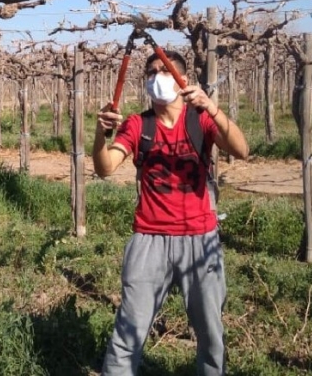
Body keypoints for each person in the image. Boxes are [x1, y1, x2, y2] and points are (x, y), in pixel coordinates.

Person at [93, 50, 249, 376]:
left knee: (210, 332)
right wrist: (99, 134)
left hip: (199, 239)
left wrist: (212, 108)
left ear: (182, 81)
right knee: (128, 330)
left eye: (164, 71)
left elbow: (241, 149)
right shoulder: (138, 125)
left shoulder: (201, 120)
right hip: (149, 238)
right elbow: (106, 168)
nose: (156, 77)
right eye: (151, 72)